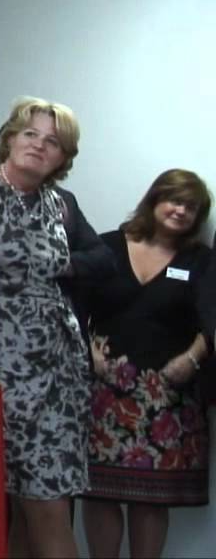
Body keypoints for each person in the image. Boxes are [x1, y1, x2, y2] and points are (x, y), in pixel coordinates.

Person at [0, 96, 114, 558]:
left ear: (64, 158)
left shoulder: (62, 204)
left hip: (59, 374)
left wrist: (62, 262)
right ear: (10, 137)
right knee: (14, 505)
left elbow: (103, 260)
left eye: (53, 142)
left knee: (46, 503)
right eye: (31, 135)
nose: (39, 147)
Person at [80, 169, 212, 559]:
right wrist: (88, 350)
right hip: (103, 391)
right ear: (154, 200)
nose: (180, 210)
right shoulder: (105, 247)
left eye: (191, 206)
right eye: (174, 200)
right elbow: (70, 307)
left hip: (169, 396)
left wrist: (192, 357)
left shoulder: (200, 260)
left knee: (150, 499)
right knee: (99, 493)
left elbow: (213, 317)